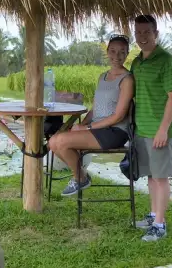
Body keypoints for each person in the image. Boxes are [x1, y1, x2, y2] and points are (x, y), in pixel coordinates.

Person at [49, 34, 134, 196]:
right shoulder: (102, 77)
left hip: (114, 132)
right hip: (97, 129)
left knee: (59, 141)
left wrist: (87, 127)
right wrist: (81, 126)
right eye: (113, 51)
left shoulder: (127, 79)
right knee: (53, 142)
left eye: (122, 52)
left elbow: (119, 116)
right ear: (107, 52)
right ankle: (81, 177)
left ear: (127, 54)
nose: (117, 56)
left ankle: (80, 178)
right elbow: (96, 109)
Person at [130, 15, 172, 242]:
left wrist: (163, 129)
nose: (142, 37)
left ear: (156, 33)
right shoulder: (137, 62)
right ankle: (153, 215)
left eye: (146, 32)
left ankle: (160, 224)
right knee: (151, 176)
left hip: (159, 130)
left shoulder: (167, 61)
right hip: (142, 128)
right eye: (138, 32)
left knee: (161, 178)